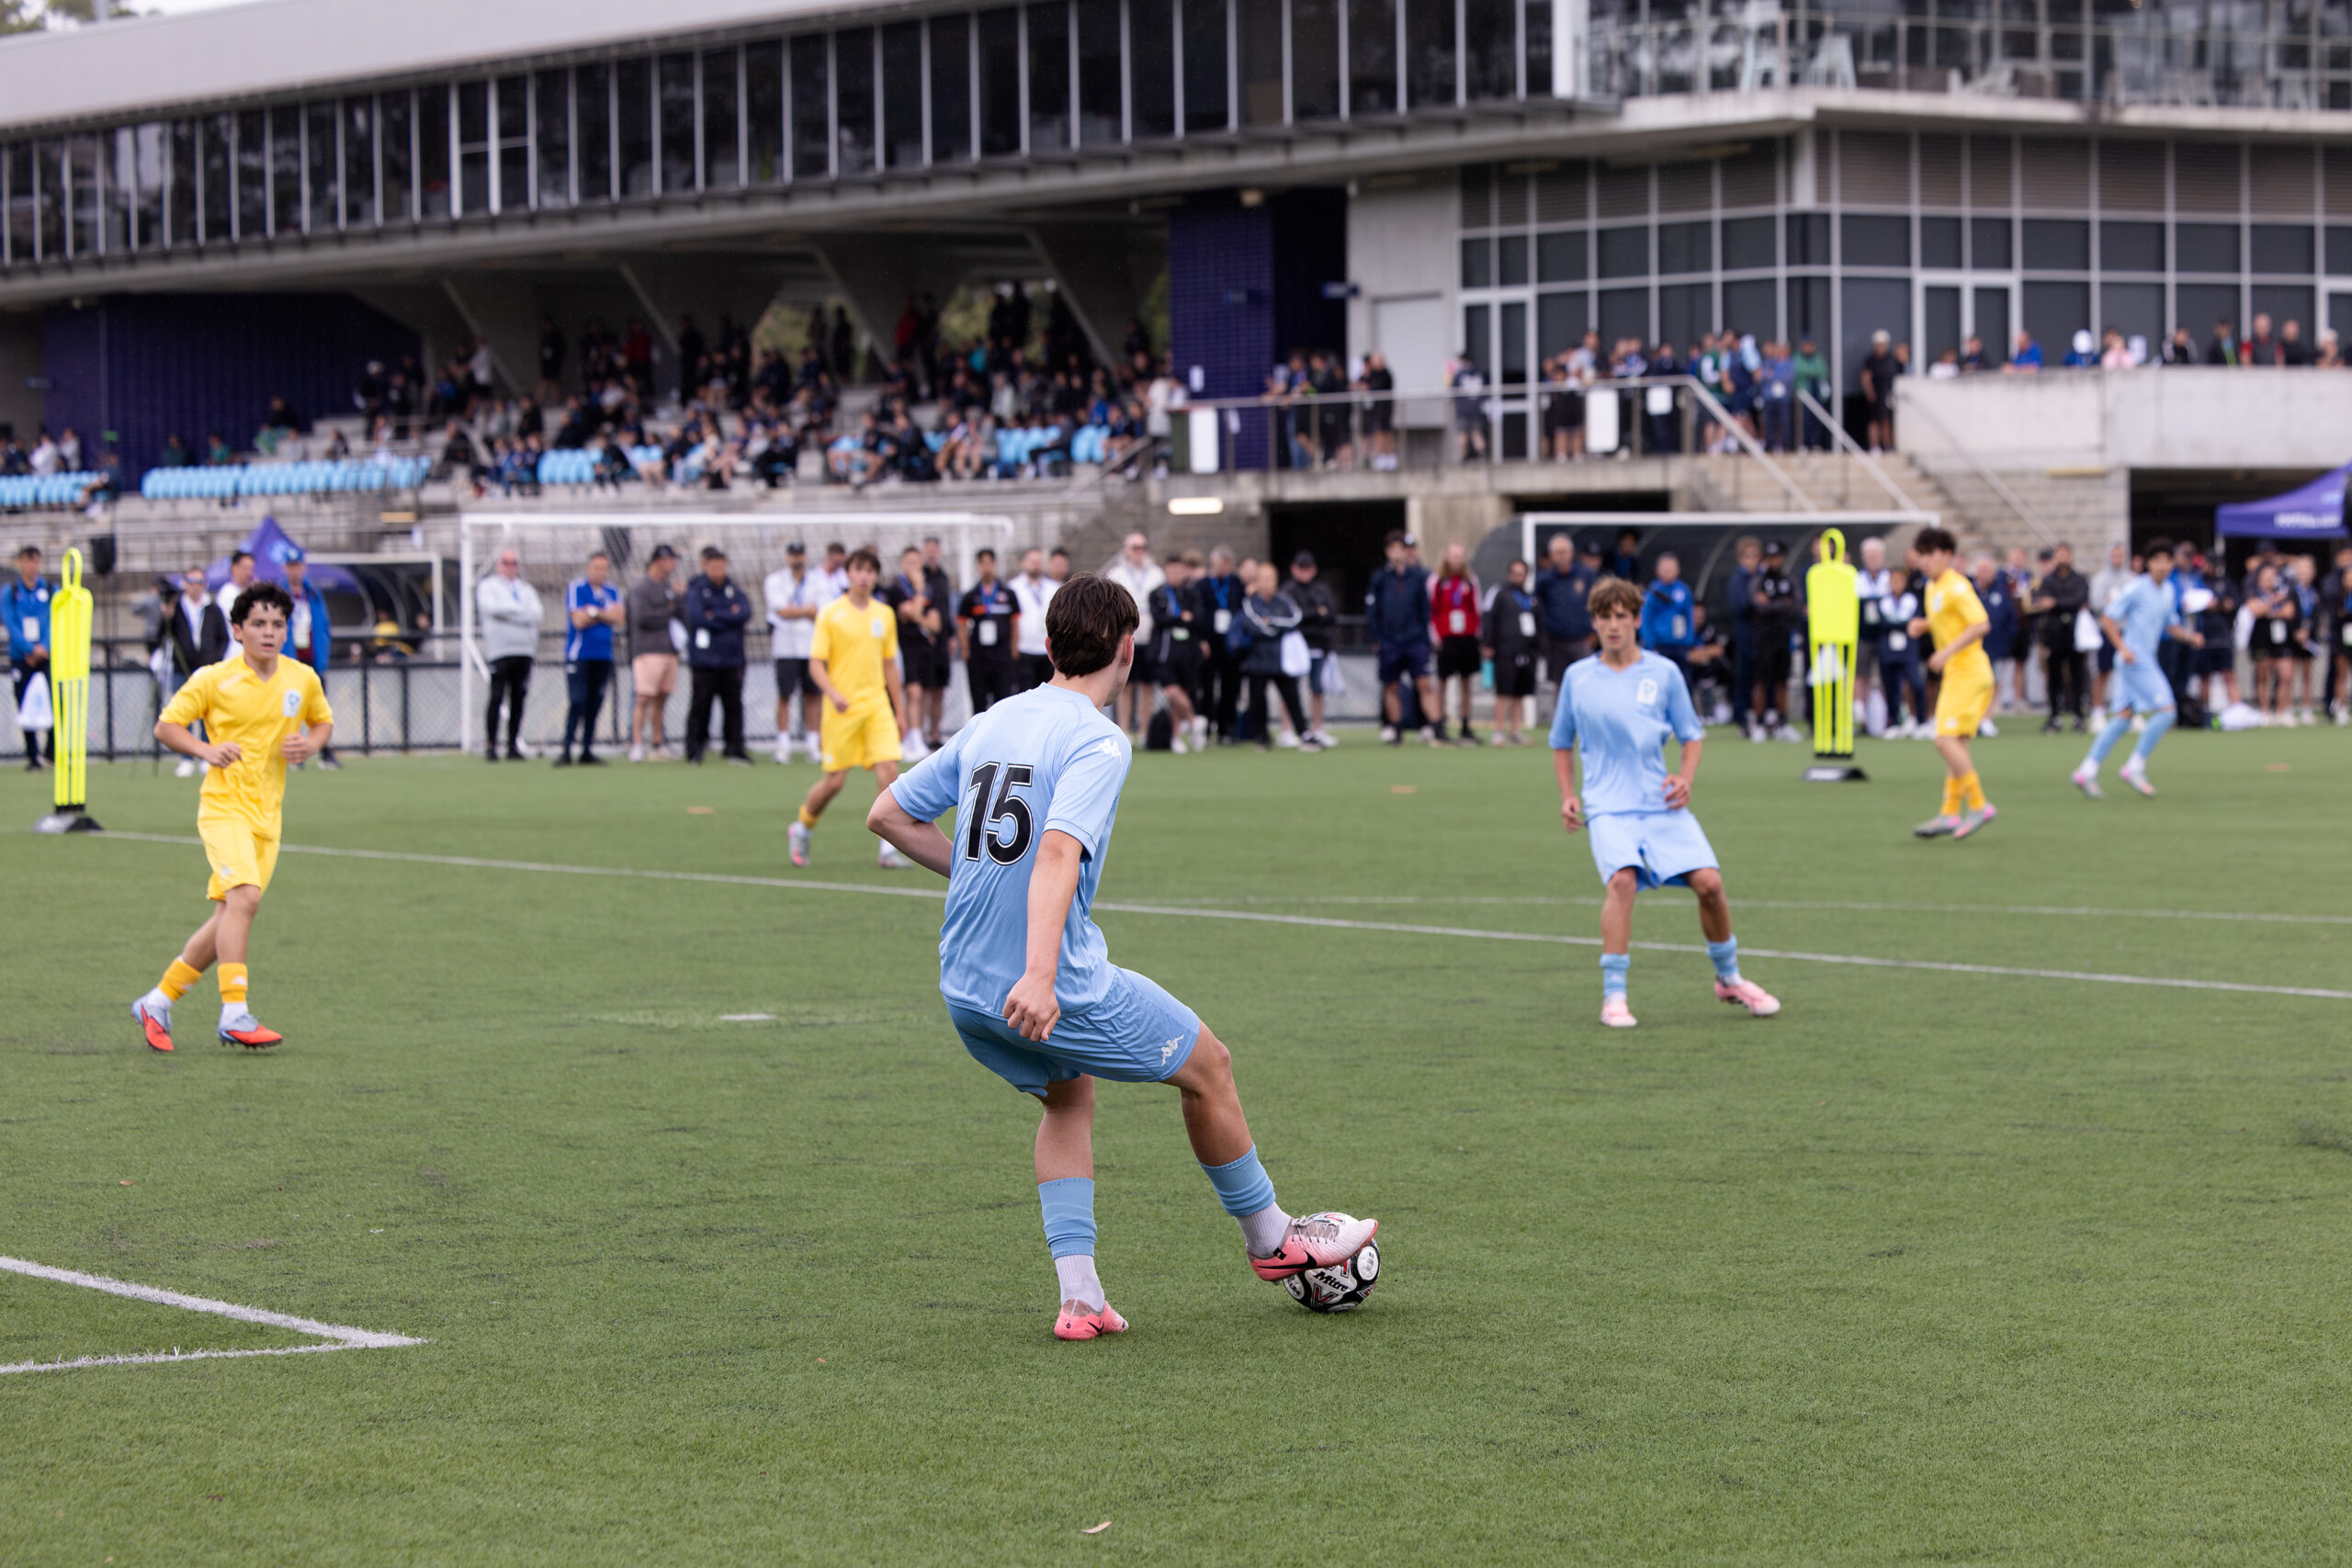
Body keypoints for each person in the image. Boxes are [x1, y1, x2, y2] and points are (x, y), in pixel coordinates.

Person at [866, 574, 1378, 1340]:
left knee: (1068, 1096)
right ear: (1129, 650)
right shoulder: (1099, 738)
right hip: (1050, 986)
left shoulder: (995, 718)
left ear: (1048, 645)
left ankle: (1080, 1299)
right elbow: (1057, 851)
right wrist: (1041, 974)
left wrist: (982, 881)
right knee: (1209, 1065)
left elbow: (888, 815)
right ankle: (1274, 1240)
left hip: (965, 987)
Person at [1551, 576, 1781, 1030]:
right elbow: (1561, 742)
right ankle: (1614, 996)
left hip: (1660, 803)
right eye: (1604, 617)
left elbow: (1692, 734)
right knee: (1622, 883)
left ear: (1637, 620)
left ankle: (1729, 979)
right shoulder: (1578, 677)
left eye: (1621, 617)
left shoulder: (1664, 673)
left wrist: (1685, 778)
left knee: (1710, 884)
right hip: (1608, 807)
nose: (1613, 626)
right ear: (1593, 622)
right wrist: (1568, 795)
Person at [133, 582, 334, 1052]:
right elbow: (166, 726)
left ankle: (157, 1001)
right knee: (245, 898)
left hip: (268, 817)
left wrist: (310, 744)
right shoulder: (213, 679)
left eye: (278, 624)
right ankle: (234, 1013)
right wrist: (206, 749)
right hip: (224, 809)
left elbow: (322, 722)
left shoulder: (302, 678)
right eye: (258, 624)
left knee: (229, 915)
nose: (269, 632)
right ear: (238, 630)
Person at [790, 548, 912, 869]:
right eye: (858, 569)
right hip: (842, 710)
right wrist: (832, 693)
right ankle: (802, 828)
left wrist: (900, 711)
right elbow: (816, 664)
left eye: (870, 570)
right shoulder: (830, 614)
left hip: (876, 706)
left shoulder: (884, 614)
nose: (864, 576)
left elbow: (890, 665)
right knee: (834, 782)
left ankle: (888, 848)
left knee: (889, 770)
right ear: (848, 573)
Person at [2073, 538, 2203, 799]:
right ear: (2148, 564)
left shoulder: (2168, 591)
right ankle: (2134, 767)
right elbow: (2108, 618)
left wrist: (2190, 637)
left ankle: (2086, 771)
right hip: (2135, 659)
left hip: (2143, 659)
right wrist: (2122, 648)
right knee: (2167, 711)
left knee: (2122, 719)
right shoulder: (2136, 588)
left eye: (2167, 560)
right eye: (2157, 560)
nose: (2163, 565)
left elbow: (2171, 625)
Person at [1907, 527, 1997, 840]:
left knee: (1944, 740)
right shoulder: (1933, 585)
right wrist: (1924, 625)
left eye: (1930, 554)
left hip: (1968, 672)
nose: (1925, 560)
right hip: (1958, 673)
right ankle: (1949, 812)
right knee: (1955, 744)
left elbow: (1981, 624)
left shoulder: (1957, 586)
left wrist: (1946, 651)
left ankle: (1979, 804)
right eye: (1921, 554)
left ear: (1947, 555)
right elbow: (1946, 619)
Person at [763, 540, 835, 764]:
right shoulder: (775, 580)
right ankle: (783, 745)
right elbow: (781, 611)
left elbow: (824, 611)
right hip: (785, 646)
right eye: (793, 554)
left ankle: (813, 744)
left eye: (800, 554)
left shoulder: (817, 580)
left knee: (812, 695)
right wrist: (807, 610)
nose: (797, 558)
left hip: (811, 646)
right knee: (785, 695)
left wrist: (796, 610)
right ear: (788, 557)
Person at [681, 545, 752, 765]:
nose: (718, 570)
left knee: (733, 705)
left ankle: (735, 748)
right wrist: (727, 618)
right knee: (700, 705)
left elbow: (743, 614)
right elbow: (698, 617)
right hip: (705, 661)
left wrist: (715, 616)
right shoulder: (697, 590)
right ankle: (695, 748)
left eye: (721, 566)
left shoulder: (735, 590)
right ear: (706, 567)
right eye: (713, 566)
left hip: (732, 659)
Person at [1365, 531, 1440, 745]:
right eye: (1393, 549)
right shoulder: (1380, 578)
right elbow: (1372, 611)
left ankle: (1437, 728)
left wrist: (1424, 636)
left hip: (1415, 641)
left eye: (1401, 548)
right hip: (1389, 641)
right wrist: (1378, 638)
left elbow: (1425, 609)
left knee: (1425, 684)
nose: (1397, 553)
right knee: (1391, 686)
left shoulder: (1417, 577)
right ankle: (1396, 729)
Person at [1238, 561, 1317, 751]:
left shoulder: (1284, 600)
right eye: (1263, 579)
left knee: (1292, 698)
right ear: (1257, 582)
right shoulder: (1250, 602)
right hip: (1258, 659)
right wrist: (1274, 629)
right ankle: (1262, 736)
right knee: (1258, 700)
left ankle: (1304, 734)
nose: (1267, 583)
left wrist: (1271, 622)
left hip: (1282, 659)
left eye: (1270, 579)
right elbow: (1253, 625)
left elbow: (1294, 620)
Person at [557, 550, 626, 767]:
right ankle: (566, 749)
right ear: (588, 568)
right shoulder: (577, 588)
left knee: (595, 704)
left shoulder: (612, 590)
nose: (601, 572)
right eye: (597, 568)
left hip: (604, 656)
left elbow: (619, 617)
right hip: (579, 656)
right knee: (578, 701)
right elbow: (578, 620)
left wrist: (594, 612)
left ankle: (587, 750)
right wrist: (605, 615)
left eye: (604, 568)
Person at [162, 566, 231, 777]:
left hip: (207, 670)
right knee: (182, 714)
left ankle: (206, 755)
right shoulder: (176, 608)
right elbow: (163, 634)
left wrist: (215, 659)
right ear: (186, 583)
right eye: (192, 581)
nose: (196, 586)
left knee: (208, 715)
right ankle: (186, 759)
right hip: (182, 668)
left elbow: (223, 637)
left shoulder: (213, 608)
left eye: (200, 582)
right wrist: (166, 616)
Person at [477, 546, 544, 762]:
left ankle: (513, 745)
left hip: (525, 651)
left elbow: (537, 614)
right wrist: (520, 613)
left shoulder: (526, 589)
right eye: (506, 562)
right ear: (498, 565)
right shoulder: (488, 586)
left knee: (518, 698)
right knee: (496, 697)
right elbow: (492, 609)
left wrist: (509, 614)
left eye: (514, 563)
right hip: (500, 651)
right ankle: (491, 745)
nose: (510, 566)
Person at [279, 548, 342, 771]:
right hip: (291, 661)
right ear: (285, 568)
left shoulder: (313, 594)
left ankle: (325, 752)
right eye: (291, 566)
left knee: (320, 709)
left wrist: (324, 653)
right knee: (292, 708)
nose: (295, 570)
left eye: (298, 566)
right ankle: (295, 754)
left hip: (313, 660)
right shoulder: (280, 595)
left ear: (303, 567)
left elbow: (324, 625)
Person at [883, 546, 946, 760]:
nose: (914, 566)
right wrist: (918, 593)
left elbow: (935, 624)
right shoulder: (897, 589)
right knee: (913, 693)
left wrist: (917, 616)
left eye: (916, 562)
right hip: (904, 647)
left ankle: (918, 736)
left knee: (925, 694)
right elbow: (910, 612)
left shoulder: (929, 589)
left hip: (924, 648)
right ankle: (910, 738)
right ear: (902, 564)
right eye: (909, 562)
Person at [1102, 532, 1165, 741]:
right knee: (1125, 685)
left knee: (1147, 685)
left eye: (1142, 547)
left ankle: (1144, 731)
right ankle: (1124, 730)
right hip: (1125, 636)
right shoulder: (1117, 573)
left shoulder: (1156, 573)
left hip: (1150, 636)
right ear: (1126, 549)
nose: (1139, 552)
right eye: (1135, 547)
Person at [628, 545, 683, 761]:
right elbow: (641, 618)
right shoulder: (641, 588)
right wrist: (668, 610)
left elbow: (679, 613)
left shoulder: (669, 587)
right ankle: (636, 744)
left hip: (669, 650)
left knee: (661, 699)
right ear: (658, 561)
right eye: (670, 560)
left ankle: (658, 742)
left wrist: (678, 599)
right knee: (643, 697)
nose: (673, 565)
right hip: (647, 651)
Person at [2031, 543, 2092, 733]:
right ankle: (2055, 716)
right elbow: (2043, 601)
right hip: (2054, 634)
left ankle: (2078, 715)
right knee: (2054, 678)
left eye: (2065, 554)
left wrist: (2056, 603)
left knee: (2077, 676)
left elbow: (2079, 600)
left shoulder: (2079, 579)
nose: (2062, 558)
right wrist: (2060, 604)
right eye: (2059, 554)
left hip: (2075, 634)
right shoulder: (2048, 580)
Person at [5, 544, 54, 770]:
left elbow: (55, 621)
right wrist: (28, 649)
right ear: (19, 563)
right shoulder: (11, 592)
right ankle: (32, 756)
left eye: (35, 560)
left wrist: (43, 647)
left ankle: (51, 752)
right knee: (23, 703)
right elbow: (11, 624)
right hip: (21, 657)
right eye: (26, 560)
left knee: (55, 702)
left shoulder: (51, 590)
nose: (31, 566)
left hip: (46, 656)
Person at [1191, 547, 1246, 743]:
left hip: (1231, 644)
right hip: (1209, 643)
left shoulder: (1237, 584)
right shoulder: (1203, 585)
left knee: (1230, 688)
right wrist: (1201, 639)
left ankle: (1226, 730)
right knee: (1206, 687)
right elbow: (1198, 614)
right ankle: (1205, 729)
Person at [1146, 552, 1200, 750]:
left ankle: (1176, 737)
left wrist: (1181, 620)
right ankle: (1195, 721)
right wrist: (1180, 618)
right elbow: (1160, 618)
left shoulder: (1190, 594)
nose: (1176, 575)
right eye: (1172, 571)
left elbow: (1197, 618)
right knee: (1172, 692)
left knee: (1182, 693)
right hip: (1163, 652)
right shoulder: (1157, 594)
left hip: (1186, 652)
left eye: (1179, 571)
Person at [1430, 542, 1483, 745]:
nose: (1456, 559)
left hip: (1467, 638)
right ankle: (1439, 725)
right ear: (1446, 557)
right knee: (1442, 683)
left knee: (1466, 683)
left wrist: (1477, 635)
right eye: (1453, 555)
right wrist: (1436, 637)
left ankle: (1465, 726)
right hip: (1446, 639)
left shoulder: (1470, 581)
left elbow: (1476, 609)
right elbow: (1432, 611)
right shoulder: (1437, 581)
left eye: (1459, 555)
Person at [1483, 557, 1539, 745]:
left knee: (1519, 693)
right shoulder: (1499, 592)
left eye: (1521, 573)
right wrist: (1488, 644)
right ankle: (1499, 731)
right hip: (1505, 650)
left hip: (1526, 651)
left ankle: (1516, 731)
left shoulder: (1531, 597)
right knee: (1503, 692)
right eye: (1515, 573)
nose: (1518, 577)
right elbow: (1488, 617)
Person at [957, 547, 1022, 714]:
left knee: (1003, 701)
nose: (986, 567)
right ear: (978, 566)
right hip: (979, 656)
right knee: (979, 702)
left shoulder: (1008, 594)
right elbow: (961, 624)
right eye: (983, 563)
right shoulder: (970, 596)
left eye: (989, 563)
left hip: (1002, 655)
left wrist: (1014, 649)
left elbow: (1015, 623)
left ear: (995, 565)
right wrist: (965, 651)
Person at [1748, 540, 1799, 741]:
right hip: (1763, 638)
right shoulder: (1758, 581)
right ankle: (1759, 723)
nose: (1774, 561)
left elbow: (1796, 606)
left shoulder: (1789, 580)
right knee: (1760, 681)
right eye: (1770, 557)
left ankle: (1782, 723)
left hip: (1783, 637)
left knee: (1782, 681)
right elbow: (1758, 606)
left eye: (1777, 557)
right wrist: (1781, 604)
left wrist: (1772, 604)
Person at [1286, 551, 1339, 747]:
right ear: (1294, 569)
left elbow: (1330, 615)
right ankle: (1287, 730)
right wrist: (1316, 613)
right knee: (1290, 690)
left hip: (1319, 645)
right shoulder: (1288, 590)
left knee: (1317, 689)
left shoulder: (1321, 589)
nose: (1304, 572)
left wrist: (1308, 615)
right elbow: (1293, 617)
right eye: (1301, 568)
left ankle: (1318, 728)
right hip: (1296, 646)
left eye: (1308, 568)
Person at [1534, 532, 1598, 691]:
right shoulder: (1544, 580)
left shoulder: (1587, 575)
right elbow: (1538, 609)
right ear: (1551, 555)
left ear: (1571, 553)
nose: (1561, 556)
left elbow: (1597, 604)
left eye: (1564, 552)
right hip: (1556, 642)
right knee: (1560, 686)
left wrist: (1595, 633)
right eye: (1557, 552)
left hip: (1582, 640)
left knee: (1586, 683)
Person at [1875, 566, 1928, 738]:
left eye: (1899, 580)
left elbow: (1915, 622)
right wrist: (1902, 623)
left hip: (1908, 650)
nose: (1896, 584)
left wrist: (1897, 623)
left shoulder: (1912, 600)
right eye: (1893, 580)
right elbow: (1882, 623)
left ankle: (1921, 722)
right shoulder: (1883, 601)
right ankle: (1894, 723)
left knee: (1917, 684)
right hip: (1888, 651)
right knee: (1891, 688)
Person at [2088, 541, 2135, 718]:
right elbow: (2096, 604)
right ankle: (2098, 711)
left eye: (2120, 555)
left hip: (2126, 631)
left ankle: (2130, 711)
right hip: (2106, 631)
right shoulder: (2099, 579)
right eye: (2114, 555)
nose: (2117, 558)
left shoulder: (2131, 579)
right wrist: (2111, 603)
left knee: (2129, 673)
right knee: (2103, 671)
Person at [1639, 552, 1696, 677]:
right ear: (1657, 570)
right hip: (1659, 645)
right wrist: (1650, 643)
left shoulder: (1684, 590)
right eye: (1665, 569)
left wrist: (1689, 641)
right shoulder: (1652, 592)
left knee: (1683, 677)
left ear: (1678, 570)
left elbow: (1690, 616)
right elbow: (1645, 619)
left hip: (1680, 645)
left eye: (1672, 568)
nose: (1668, 572)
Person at [1009, 547, 1058, 692]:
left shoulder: (1054, 587)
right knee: (1025, 691)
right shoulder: (1013, 588)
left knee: (1048, 692)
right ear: (1023, 563)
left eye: (1038, 561)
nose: (1035, 565)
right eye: (1032, 561)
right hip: (1024, 648)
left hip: (1047, 650)